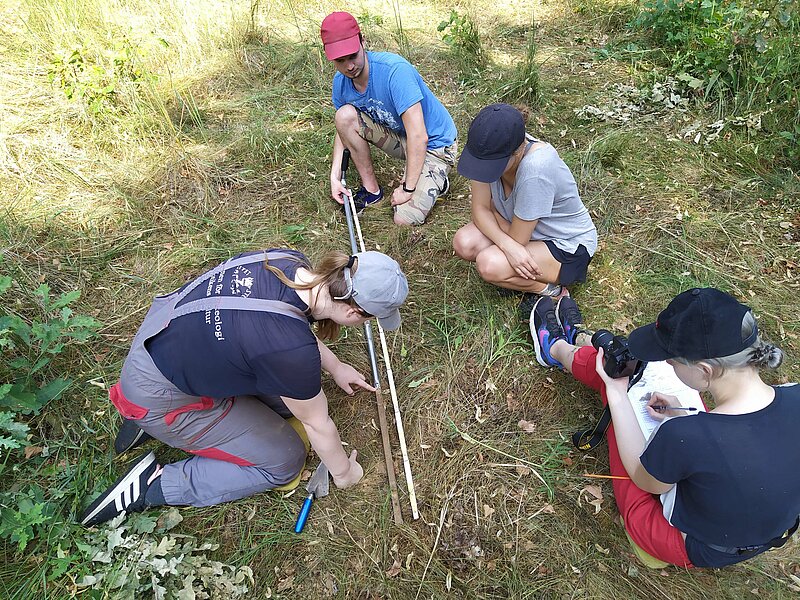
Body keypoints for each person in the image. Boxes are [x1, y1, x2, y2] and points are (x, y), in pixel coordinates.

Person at [80, 248, 408, 527]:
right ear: (353, 311)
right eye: (370, 319)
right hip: (160, 396)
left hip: (158, 346)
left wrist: (334, 366)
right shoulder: (289, 350)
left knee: (286, 402)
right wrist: (345, 472)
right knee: (285, 459)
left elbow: (282, 333)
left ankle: (158, 418)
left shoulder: (289, 262)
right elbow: (317, 424)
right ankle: (154, 484)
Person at [529, 289, 800, 568]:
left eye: (671, 359)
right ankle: (578, 341)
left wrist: (618, 393)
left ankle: (555, 348)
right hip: (757, 536)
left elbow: (644, 480)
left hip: (691, 544)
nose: (667, 362)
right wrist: (688, 414)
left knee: (623, 382)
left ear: (705, 370)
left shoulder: (687, 436)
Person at [320, 11, 458, 226]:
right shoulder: (341, 82)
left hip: (435, 144)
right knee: (344, 115)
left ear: (363, 41)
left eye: (353, 56)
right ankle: (371, 191)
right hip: (402, 137)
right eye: (340, 60)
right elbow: (342, 128)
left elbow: (419, 135)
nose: (349, 66)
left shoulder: (395, 71)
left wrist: (407, 189)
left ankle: (436, 178)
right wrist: (335, 177)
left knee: (403, 219)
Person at [452, 104, 597, 301]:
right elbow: (480, 209)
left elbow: (517, 239)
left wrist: (494, 214)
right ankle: (522, 272)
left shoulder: (535, 170)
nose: (483, 171)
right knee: (464, 243)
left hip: (565, 244)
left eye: (492, 166)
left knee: (489, 264)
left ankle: (550, 290)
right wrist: (507, 245)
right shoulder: (487, 149)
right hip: (517, 227)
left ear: (518, 151)